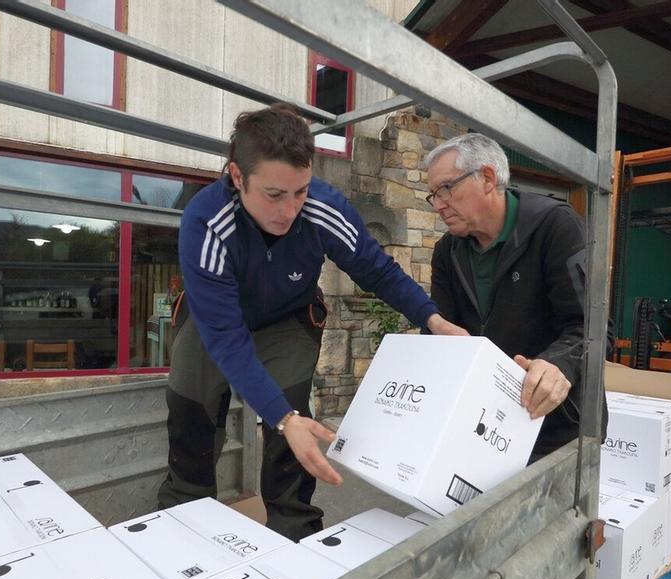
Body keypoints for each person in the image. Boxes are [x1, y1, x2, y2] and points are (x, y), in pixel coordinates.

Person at [159, 104, 466, 540]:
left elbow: (377, 270)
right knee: (191, 405)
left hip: (288, 318)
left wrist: (433, 319)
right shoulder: (207, 223)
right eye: (274, 195)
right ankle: (182, 519)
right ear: (237, 177)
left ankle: (294, 530)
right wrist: (279, 417)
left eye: (300, 191)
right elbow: (227, 339)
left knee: (293, 416)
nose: (289, 210)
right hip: (217, 320)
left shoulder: (322, 208)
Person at [426, 133, 603, 460]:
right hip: (484, 424)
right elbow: (441, 331)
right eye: (433, 194)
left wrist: (556, 364)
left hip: (555, 426)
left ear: (488, 178)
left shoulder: (555, 226)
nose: (438, 204)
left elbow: (589, 326)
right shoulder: (447, 251)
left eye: (446, 189)